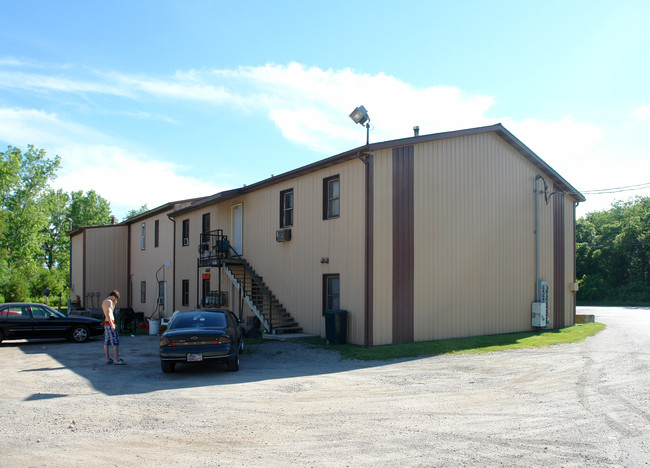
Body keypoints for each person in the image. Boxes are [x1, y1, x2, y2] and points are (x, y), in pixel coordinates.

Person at [102, 290, 126, 365]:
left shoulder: (104, 301)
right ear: (113, 296)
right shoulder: (109, 302)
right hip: (110, 323)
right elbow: (109, 313)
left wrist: (114, 305)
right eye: (115, 298)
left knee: (106, 341)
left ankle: (108, 359)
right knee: (115, 341)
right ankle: (116, 359)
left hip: (106, 323)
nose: (115, 300)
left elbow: (109, 311)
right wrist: (112, 325)